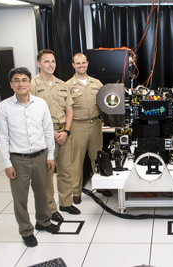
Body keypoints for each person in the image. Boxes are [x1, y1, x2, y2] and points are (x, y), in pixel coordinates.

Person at [0, 67, 60, 247]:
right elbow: (2, 138)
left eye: (24, 80)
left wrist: (50, 155)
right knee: (20, 198)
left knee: (42, 192)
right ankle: (26, 230)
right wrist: (7, 164)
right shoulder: (3, 108)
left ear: (30, 83)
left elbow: (48, 130)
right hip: (18, 159)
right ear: (11, 84)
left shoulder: (40, 104)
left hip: (40, 156)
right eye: (16, 80)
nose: (21, 84)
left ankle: (44, 221)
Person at [30, 49, 80, 222]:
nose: (50, 65)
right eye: (46, 62)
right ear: (38, 64)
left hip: (64, 133)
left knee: (66, 170)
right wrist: (52, 133)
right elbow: (31, 115)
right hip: (45, 135)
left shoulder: (62, 84)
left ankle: (66, 203)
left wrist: (65, 131)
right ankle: (51, 209)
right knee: (48, 174)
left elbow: (69, 110)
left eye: (53, 61)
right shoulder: (32, 86)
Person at [66, 53, 111, 204]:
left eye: (83, 63)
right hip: (78, 126)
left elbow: (104, 102)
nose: (81, 66)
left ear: (87, 63)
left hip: (96, 125)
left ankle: (101, 186)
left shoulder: (96, 82)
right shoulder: (68, 85)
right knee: (77, 160)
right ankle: (75, 191)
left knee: (97, 157)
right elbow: (66, 109)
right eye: (78, 63)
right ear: (73, 65)